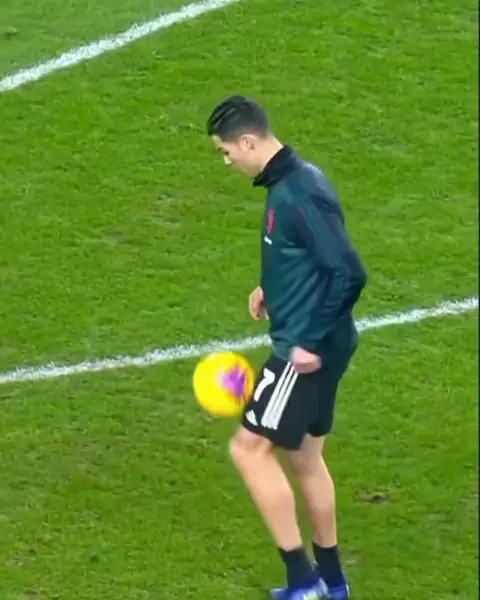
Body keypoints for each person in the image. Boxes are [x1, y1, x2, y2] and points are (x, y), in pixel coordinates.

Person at [206, 96, 368, 600]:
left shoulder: (298, 193)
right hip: (321, 342)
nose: (227, 161)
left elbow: (348, 272)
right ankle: (334, 581)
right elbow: (309, 255)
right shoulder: (293, 182)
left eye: (227, 151)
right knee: (305, 458)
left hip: (306, 352)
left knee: (248, 449)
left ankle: (303, 582)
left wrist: (308, 343)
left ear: (248, 141)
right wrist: (271, 289)